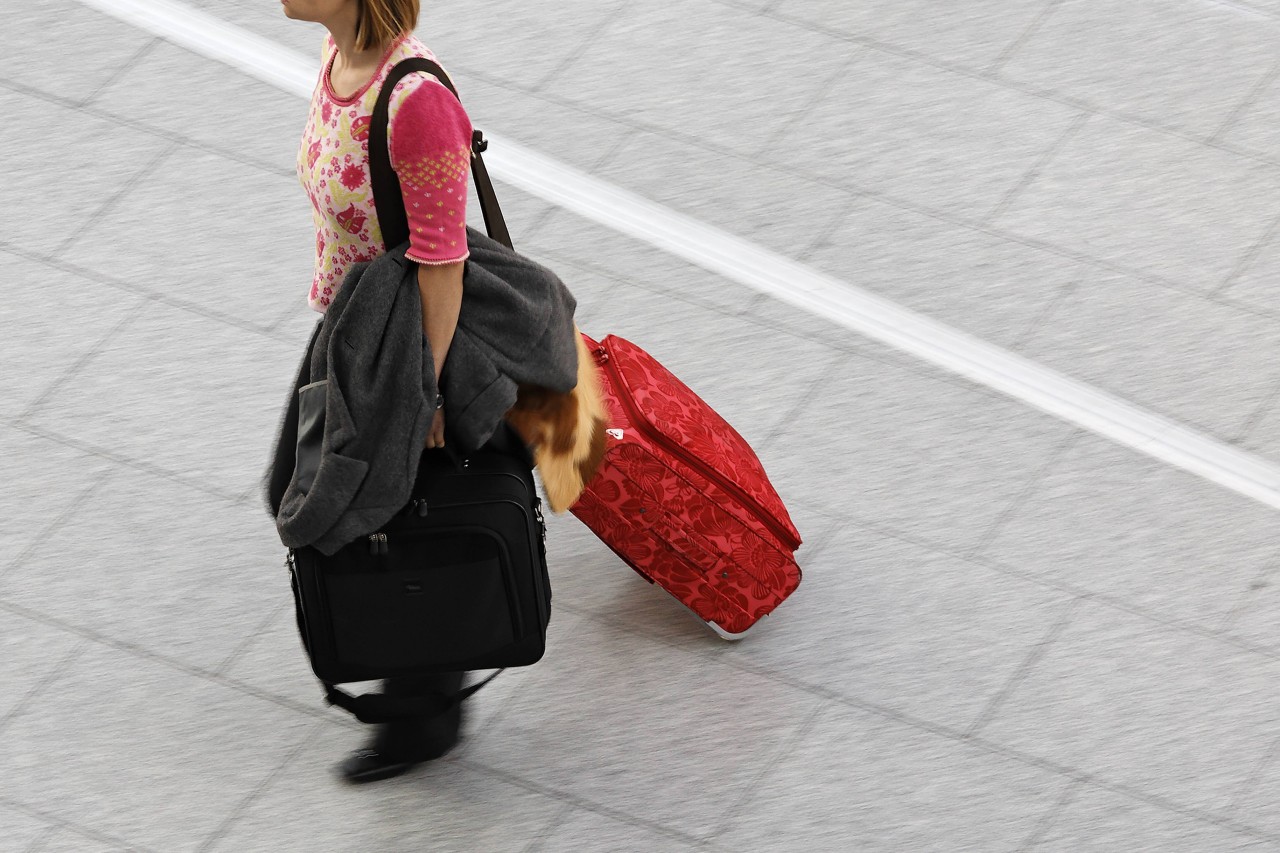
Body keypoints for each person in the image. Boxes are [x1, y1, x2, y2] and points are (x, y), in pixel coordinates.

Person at [282, 0, 472, 783]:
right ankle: (424, 689)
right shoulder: (338, 57)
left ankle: (425, 710)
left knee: (392, 520)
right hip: (353, 333)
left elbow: (444, 260)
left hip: (400, 353)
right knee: (312, 497)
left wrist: (423, 393)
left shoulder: (417, 101)